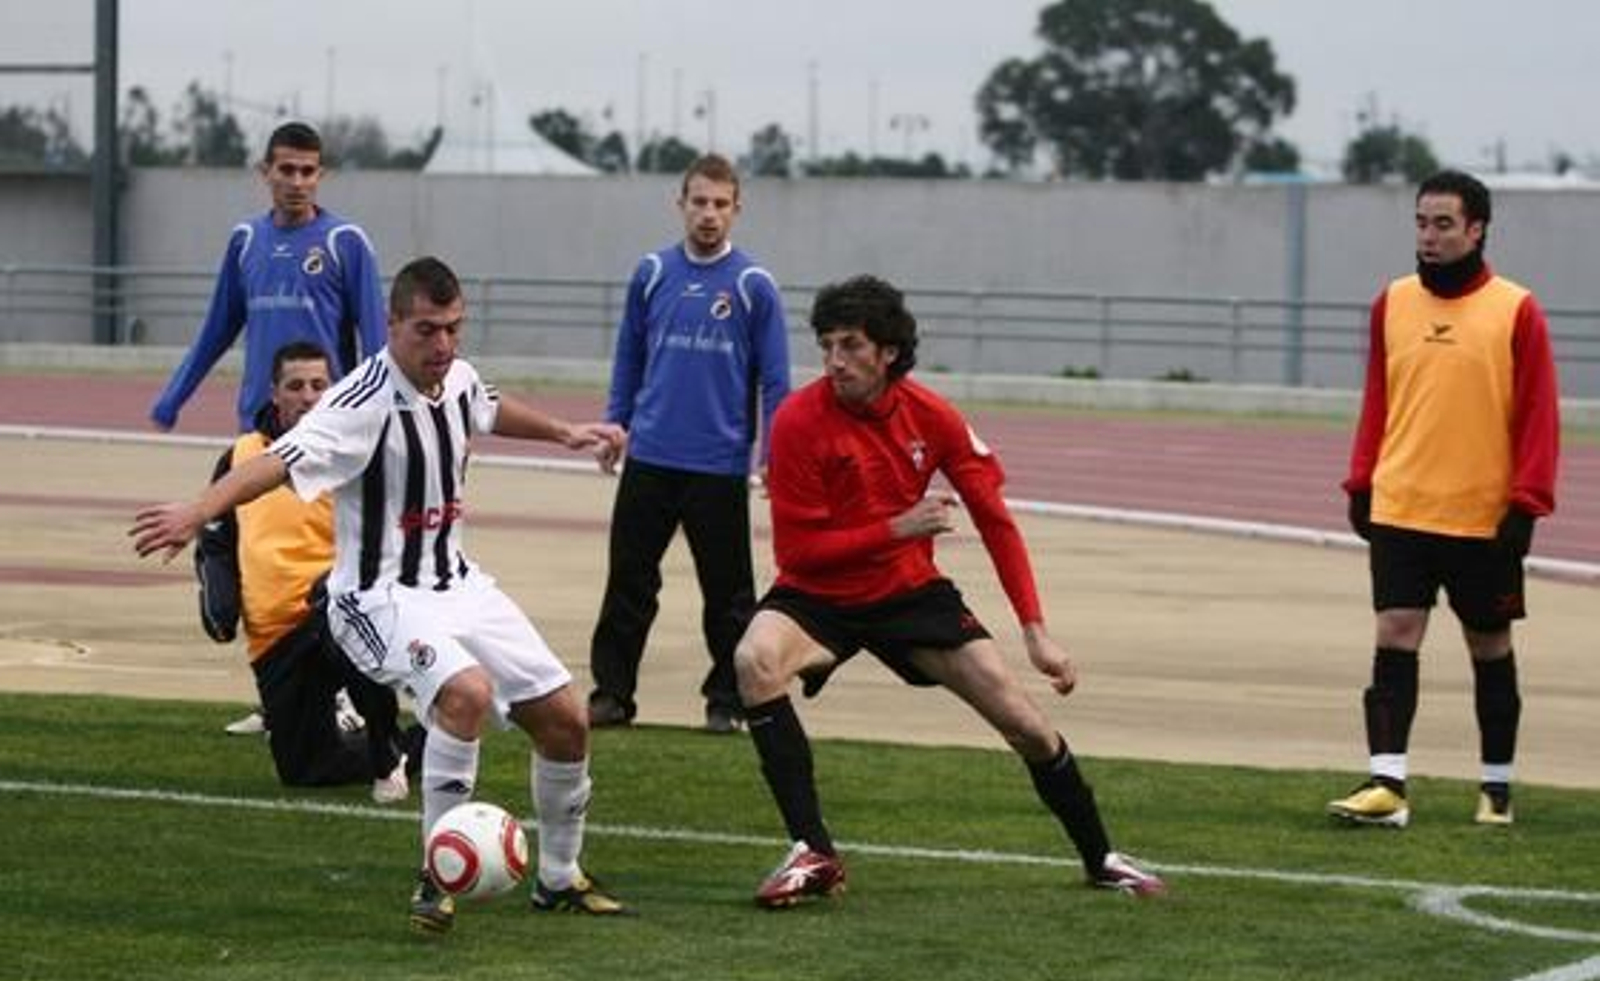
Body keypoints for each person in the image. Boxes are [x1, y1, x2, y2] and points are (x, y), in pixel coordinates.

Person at [132, 256, 632, 934]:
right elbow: (275, 462)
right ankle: (437, 875)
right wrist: (199, 510)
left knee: (566, 719)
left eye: (453, 328)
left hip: (458, 583)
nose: (443, 344)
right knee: (466, 694)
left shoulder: (454, 375)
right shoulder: (358, 401)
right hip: (376, 596)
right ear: (392, 324)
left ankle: (559, 877)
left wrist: (565, 432)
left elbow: (486, 404)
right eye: (427, 330)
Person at [731, 275, 1165, 908]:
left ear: (887, 352)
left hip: (909, 595)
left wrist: (1035, 630)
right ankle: (814, 851)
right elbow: (798, 555)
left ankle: (1101, 858)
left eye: (850, 345)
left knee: (1025, 724)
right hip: (818, 594)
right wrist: (896, 528)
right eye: (826, 346)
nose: (834, 361)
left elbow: (995, 521)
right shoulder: (797, 419)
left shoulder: (932, 416)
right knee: (754, 659)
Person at [1330, 169, 1560, 829]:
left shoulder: (1517, 309)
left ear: (1476, 229)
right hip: (1402, 506)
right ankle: (1387, 784)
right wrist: (1362, 481)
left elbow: (1539, 414)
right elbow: (1378, 400)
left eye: (1443, 224)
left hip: (1482, 517)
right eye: (1421, 223)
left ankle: (1496, 788)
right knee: (1395, 633)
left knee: (1488, 645)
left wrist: (1527, 503)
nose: (1428, 236)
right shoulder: (1393, 303)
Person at [587, 153, 791, 734]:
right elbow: (629, 357)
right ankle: (612, 695)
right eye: (699, 202)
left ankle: (728, 700)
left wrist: (773, 456)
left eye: (720, 204)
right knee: (629, 583)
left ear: (736, 210)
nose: (709, 214)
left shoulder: (754, 286)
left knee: (728, 595)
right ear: (681, 204)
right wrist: (615, 425)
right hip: (650, 457)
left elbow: (776, 382)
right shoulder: (652, 273)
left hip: (718, 466)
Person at [193, 340, 415, 802]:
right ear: (274, 394)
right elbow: (216, 537)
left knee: (344, 612)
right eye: (295, 386)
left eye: (318, 385)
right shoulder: (241, 456)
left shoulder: (355, 453)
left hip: (335, 606)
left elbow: (394, 534)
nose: (308, 396)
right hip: (275, 633)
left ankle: (384, 755)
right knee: (307, 770)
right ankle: (423, 746)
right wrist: (219, 599)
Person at [150, 121, 386, 434]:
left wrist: (379, 418)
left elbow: (376, 342)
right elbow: (215, 332)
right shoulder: (245, 240)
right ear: (265, 172)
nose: (297, 182)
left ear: (320, 175)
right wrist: (172, 399)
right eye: (287, 170)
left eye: (307, 172)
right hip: (258, 422)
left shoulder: (345, 241)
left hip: (327, 423)